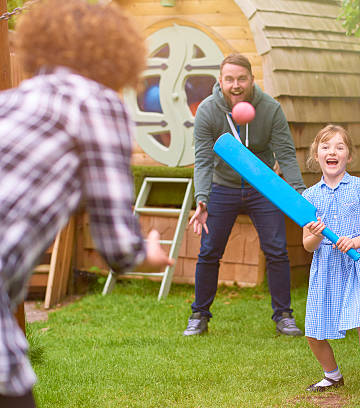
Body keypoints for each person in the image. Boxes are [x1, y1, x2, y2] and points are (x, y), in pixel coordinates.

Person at [0, 1, 173, 407]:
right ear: (115, 51)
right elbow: (117, 246)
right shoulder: (97, 104)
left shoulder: (10, 102)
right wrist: (144, 253)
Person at [185, 53, 306, 337]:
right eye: (230, 79)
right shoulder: (207, 111)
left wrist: (300, 192)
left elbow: (286, 154)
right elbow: (202, 159)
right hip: (222, 186)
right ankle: (199, 315)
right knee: (209, 251)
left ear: (252, 79)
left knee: (276, 250)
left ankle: (284, 316)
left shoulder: (270, 109)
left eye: (242, 79)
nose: (236, 85)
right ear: (220, 81)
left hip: (262, 186)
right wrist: (201, 197)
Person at [301, 125, 360, 401]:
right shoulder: (309, 197)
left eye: (340, 147)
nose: (332, 152)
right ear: (316, 155)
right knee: (314, 331)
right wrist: (315, 235)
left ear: (349, 156)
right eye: (326, 147)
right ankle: (332, 375)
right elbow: (307, 244)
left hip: (356, 263)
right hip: (325, 265)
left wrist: (356, 241)